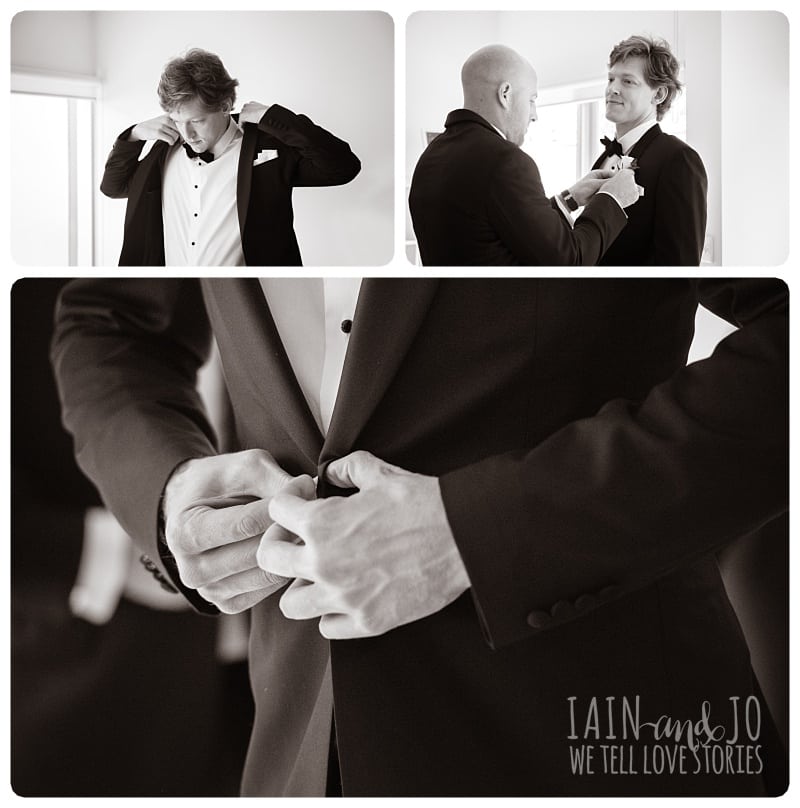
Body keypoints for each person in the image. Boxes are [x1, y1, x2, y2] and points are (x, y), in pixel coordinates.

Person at [52, 277, 787, 797]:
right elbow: (108, 322)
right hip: (298, 756)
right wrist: (167, 484)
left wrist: (482, 528)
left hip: (592, 743)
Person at [100, 48, 360, 266]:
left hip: (249, 296)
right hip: (174, 298)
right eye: (178, 121)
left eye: (197, 121)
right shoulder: (164, 147)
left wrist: (276, 118)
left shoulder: (268, 149)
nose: (187, 133)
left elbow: (342, 168)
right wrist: (133, 136)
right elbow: (114, 187)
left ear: (225, 105)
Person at [408, 44, 641, 265]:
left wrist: (569, 199)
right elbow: (570, 260)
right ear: (505, 94)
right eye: (532, 100)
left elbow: (501, 229)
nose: (534, 115)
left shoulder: (431, 156)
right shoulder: (505, 161)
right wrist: (612, 199)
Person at [591, 34, 708, 265]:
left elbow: (680, 273)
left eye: (627, 81)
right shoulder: (604, 158)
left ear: (659, 94)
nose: (612, 89)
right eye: (610, 79)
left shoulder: (678, 159)